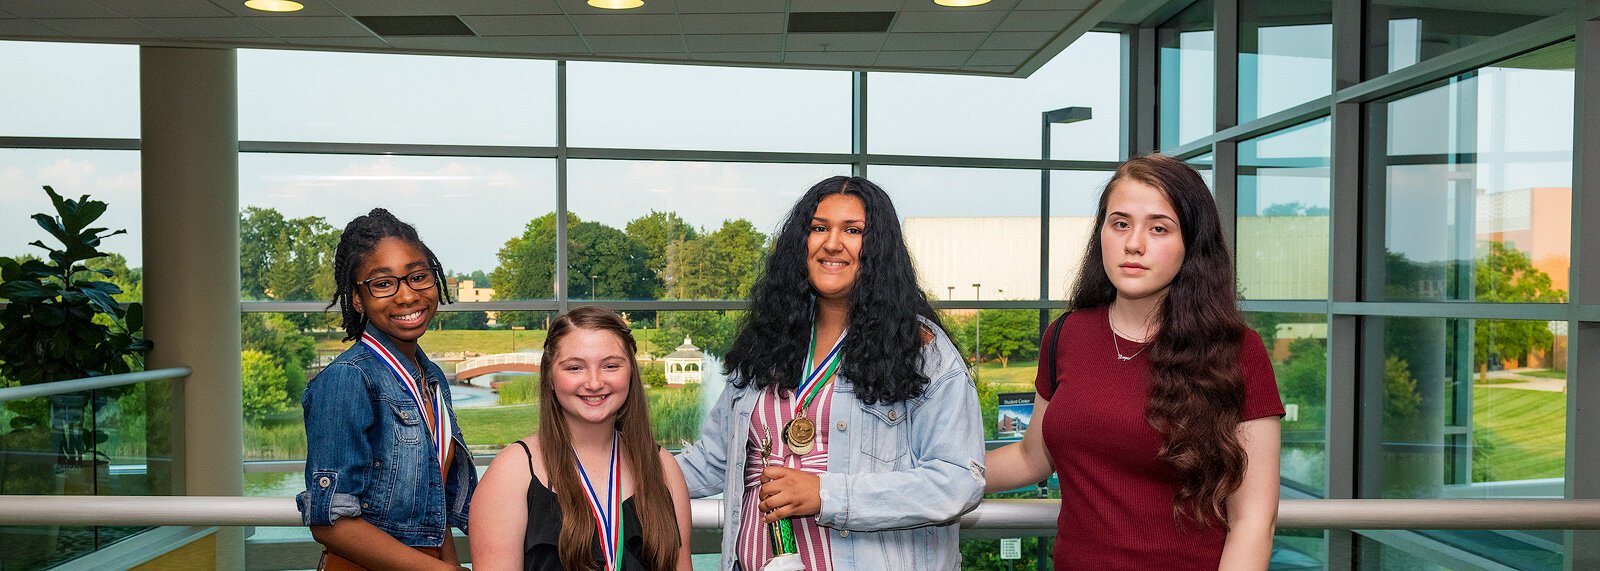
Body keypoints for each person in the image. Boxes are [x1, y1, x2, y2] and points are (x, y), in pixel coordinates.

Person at [985, 154, 1283, 570]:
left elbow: (1253, 521)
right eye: (1120, 223)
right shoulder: (1066, 335)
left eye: (1158, 228)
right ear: (1101, 232)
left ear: (1191, 244)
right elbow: (1031, 458)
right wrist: (916, 475)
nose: (1133, 244)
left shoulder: (1235, 351)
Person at [675, 176, 986, 571]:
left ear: (878, 248)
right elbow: (712, 462)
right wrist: (617, 464)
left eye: (853, 231)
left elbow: (959, 482)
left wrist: (827, 494)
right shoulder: (768, 340)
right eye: (819, 228)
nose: (832, 243)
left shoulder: (921, 349)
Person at [297, 208, 476, 570]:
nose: (408, 296)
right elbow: (330, 524)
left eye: (418, 277)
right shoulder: (348, 379)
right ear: (358, 298)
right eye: (383, 283)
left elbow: (433, 508)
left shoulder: (431, 377)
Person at [469, 306, 693, 571]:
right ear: (550, 377)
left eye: (610, 366)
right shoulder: (512, 472)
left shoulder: (663, 467)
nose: (594, 382)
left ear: (631, 373)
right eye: (575, 368)